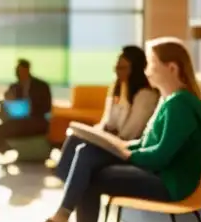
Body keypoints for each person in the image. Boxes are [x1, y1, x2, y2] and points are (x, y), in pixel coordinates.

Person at [12, 37, 201, 222]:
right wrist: (123, 148)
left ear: (171, 68)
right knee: (86, 152)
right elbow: (146, 144)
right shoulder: (169, 100)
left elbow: (160, 157)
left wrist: (126, 153)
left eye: (151, 64)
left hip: (170, 183)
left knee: (91, 171)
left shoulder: (180, 104)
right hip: (159, 174)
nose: (146, 70)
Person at [51, 45, 160, 181]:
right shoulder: (117, 89)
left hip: (125, 147)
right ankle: (66, 178)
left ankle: (69, 182)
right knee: (75, 137)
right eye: (116, 67)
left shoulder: (145, 95)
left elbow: (129, 133)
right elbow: (107, 122)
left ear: (136, 69)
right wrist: (95, 133)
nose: (117, 72)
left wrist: (107, 134)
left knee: (84, 152)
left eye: (122, 68)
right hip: (111, 139)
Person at [2, 58, 52, 138]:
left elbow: (47, 107)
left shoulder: (41, 86)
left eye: (20, 70)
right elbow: (8, 105)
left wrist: (30, 108)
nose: (17, 73)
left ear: (27, 70)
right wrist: (8, 100)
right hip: (17, 119)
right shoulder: (14, 87)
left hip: (36, 118)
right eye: (16, 71)